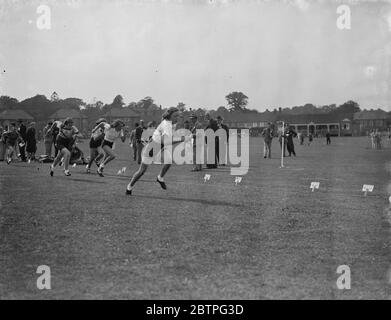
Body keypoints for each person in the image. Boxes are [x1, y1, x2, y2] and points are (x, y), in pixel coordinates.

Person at [126, 107, 189, 195]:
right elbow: (166, 141)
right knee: (141, 171)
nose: (177, 118)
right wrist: (182, 139)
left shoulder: (170, 123)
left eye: (178, 116)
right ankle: (129, 187)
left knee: (169, 161)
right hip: (152, 148)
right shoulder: (167, 124)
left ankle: (160, 178)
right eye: (175, 116)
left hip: (161, 147)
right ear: (170, 116)